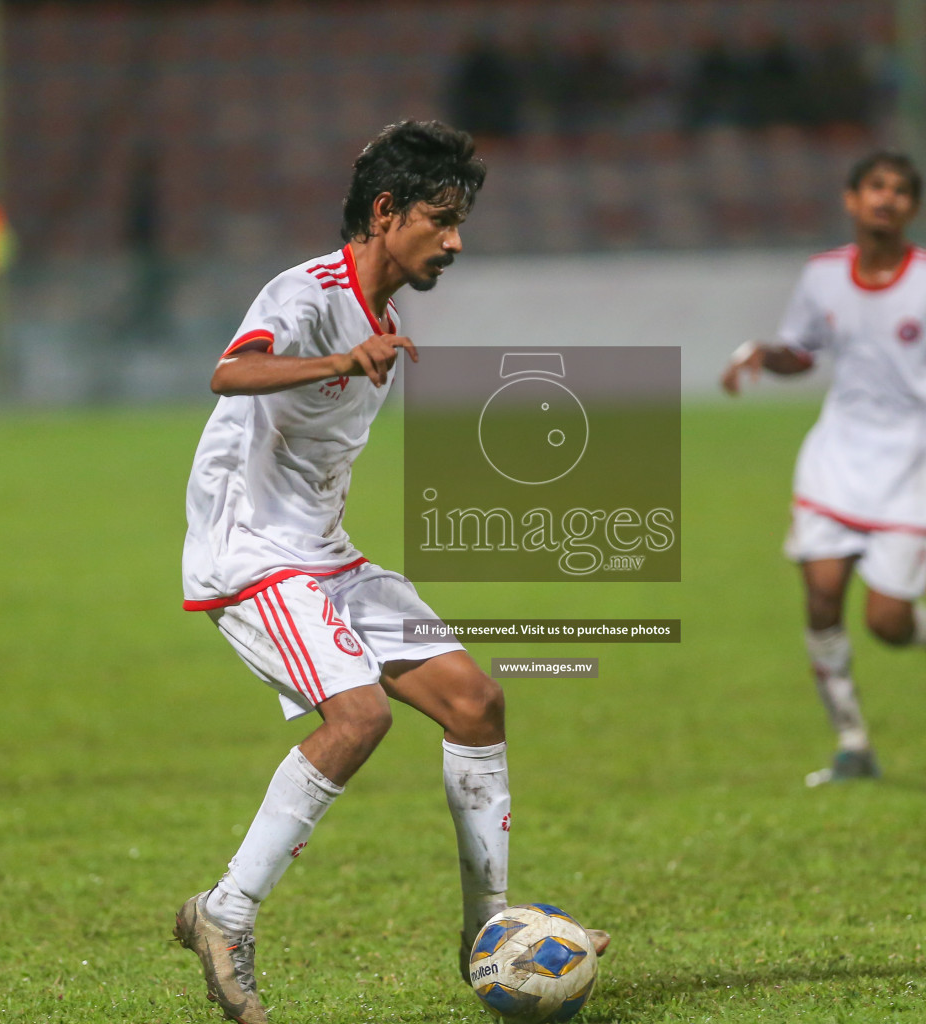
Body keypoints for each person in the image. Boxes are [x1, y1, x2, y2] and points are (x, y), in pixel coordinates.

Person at [172, 120, 606, 1024]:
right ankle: (225, 913)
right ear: (385, 212)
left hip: (323, 555)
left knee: (476, 704)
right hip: (250, 553)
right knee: (359, 714)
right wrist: (337, 358)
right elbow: (228, 372)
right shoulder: (306, 292)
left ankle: (490, 933)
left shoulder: (389, 319)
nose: (454, 242)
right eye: (440, 220)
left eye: (459, 223)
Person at [721, 151, 926, 786]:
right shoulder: (821, 277)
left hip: (911, 468)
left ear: (913, 208)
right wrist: (763, 353)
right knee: (821, 597)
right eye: (875, 188)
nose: (885, 200)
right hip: (836, 460)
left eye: (899, 191)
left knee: (888, 623)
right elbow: (802, 354)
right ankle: (852, 742)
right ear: (851, 198)